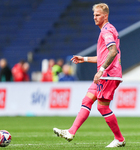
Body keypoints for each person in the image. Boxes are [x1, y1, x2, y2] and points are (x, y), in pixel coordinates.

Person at [53, 3, 125, 148]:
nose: (94, 17)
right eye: (93, 15)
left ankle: (119, 139)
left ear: (105, 16)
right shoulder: (107, 30)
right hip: (106, 74)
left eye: (97, 15)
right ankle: (71, 132)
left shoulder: (106, 31)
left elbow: (113, 51)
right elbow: (104, 56)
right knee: (86, 101)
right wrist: (84, 59)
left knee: (102, 108)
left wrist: (101, 70)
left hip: (108, 75)